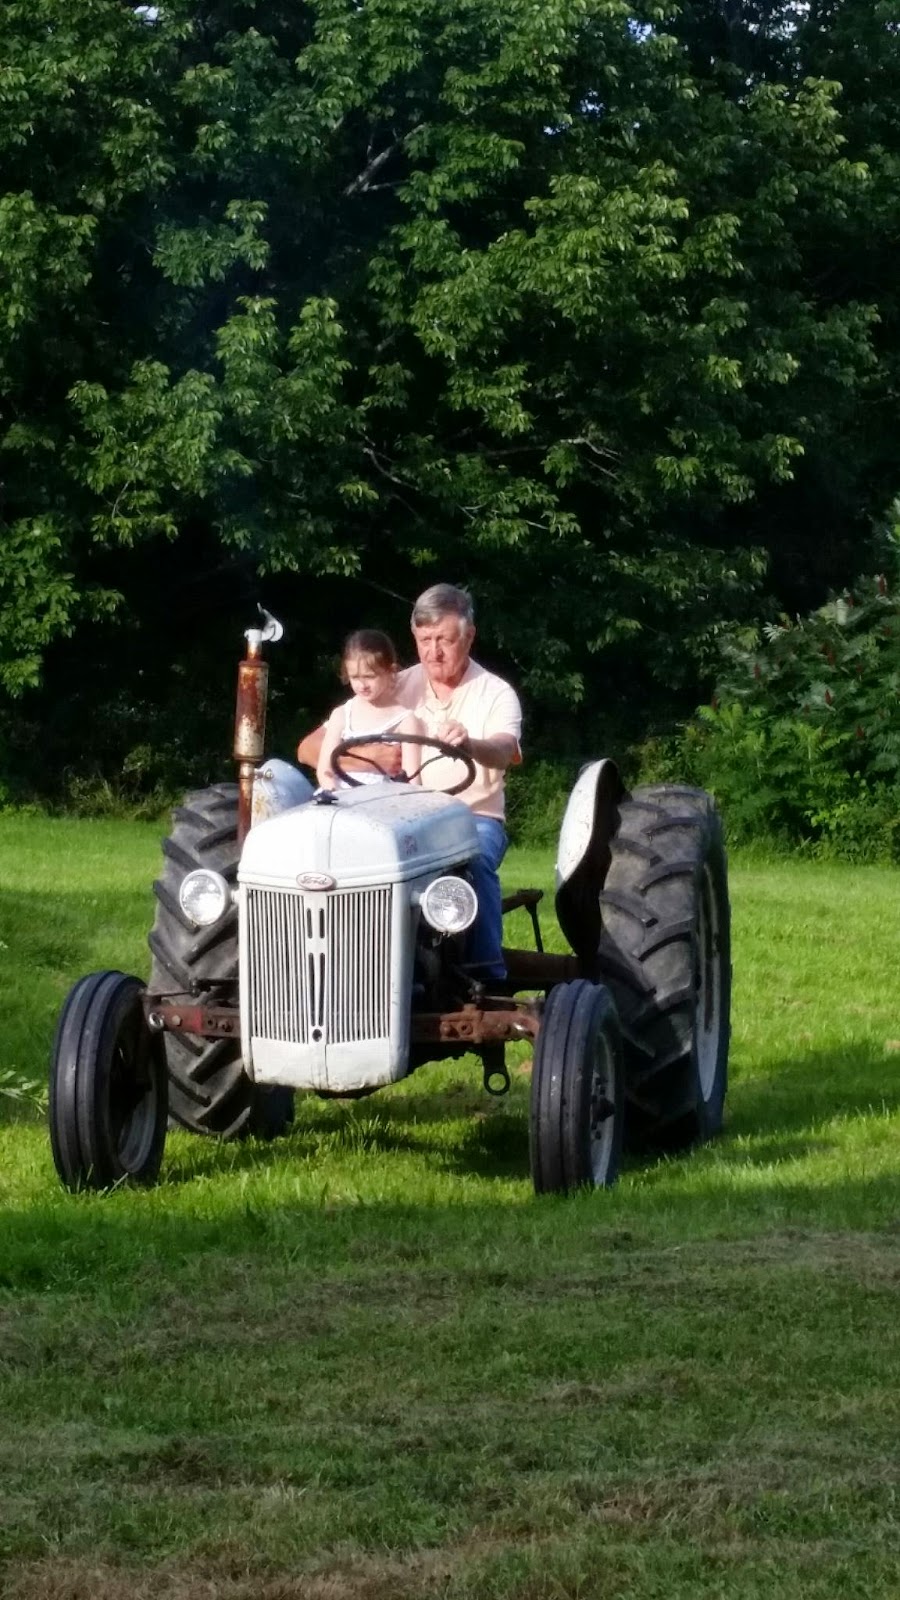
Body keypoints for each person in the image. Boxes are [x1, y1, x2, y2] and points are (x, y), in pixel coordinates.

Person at [395, 584, 522, 983]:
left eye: (445, 640)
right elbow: (313, 746)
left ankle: (486, 973)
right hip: (402, 819)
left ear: (468, 636)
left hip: (473, 817)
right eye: (425, 640)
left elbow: (504, 750)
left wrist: (469, 744)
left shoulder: (495, 693)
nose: (434, 652)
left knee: (476, 860)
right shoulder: (396, 687)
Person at [316, 629, 424, 790]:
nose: (362, 685)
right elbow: (325, 769)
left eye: (370, 677)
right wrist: (332, 792)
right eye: (355, 677)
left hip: (381, 803)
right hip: (338, 799)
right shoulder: (341, 715)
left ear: (391, 671)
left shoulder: (405, 721)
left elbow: (411, 781)